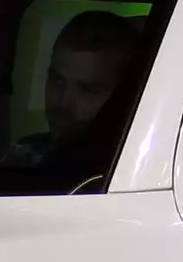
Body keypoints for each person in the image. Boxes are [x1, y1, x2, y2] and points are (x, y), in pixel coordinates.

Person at [9, 11, 140, 164]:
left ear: (124, 96)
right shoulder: (25, 155)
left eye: (87, 89)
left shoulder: (135, 166)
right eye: (58, 82)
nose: (63, 103)